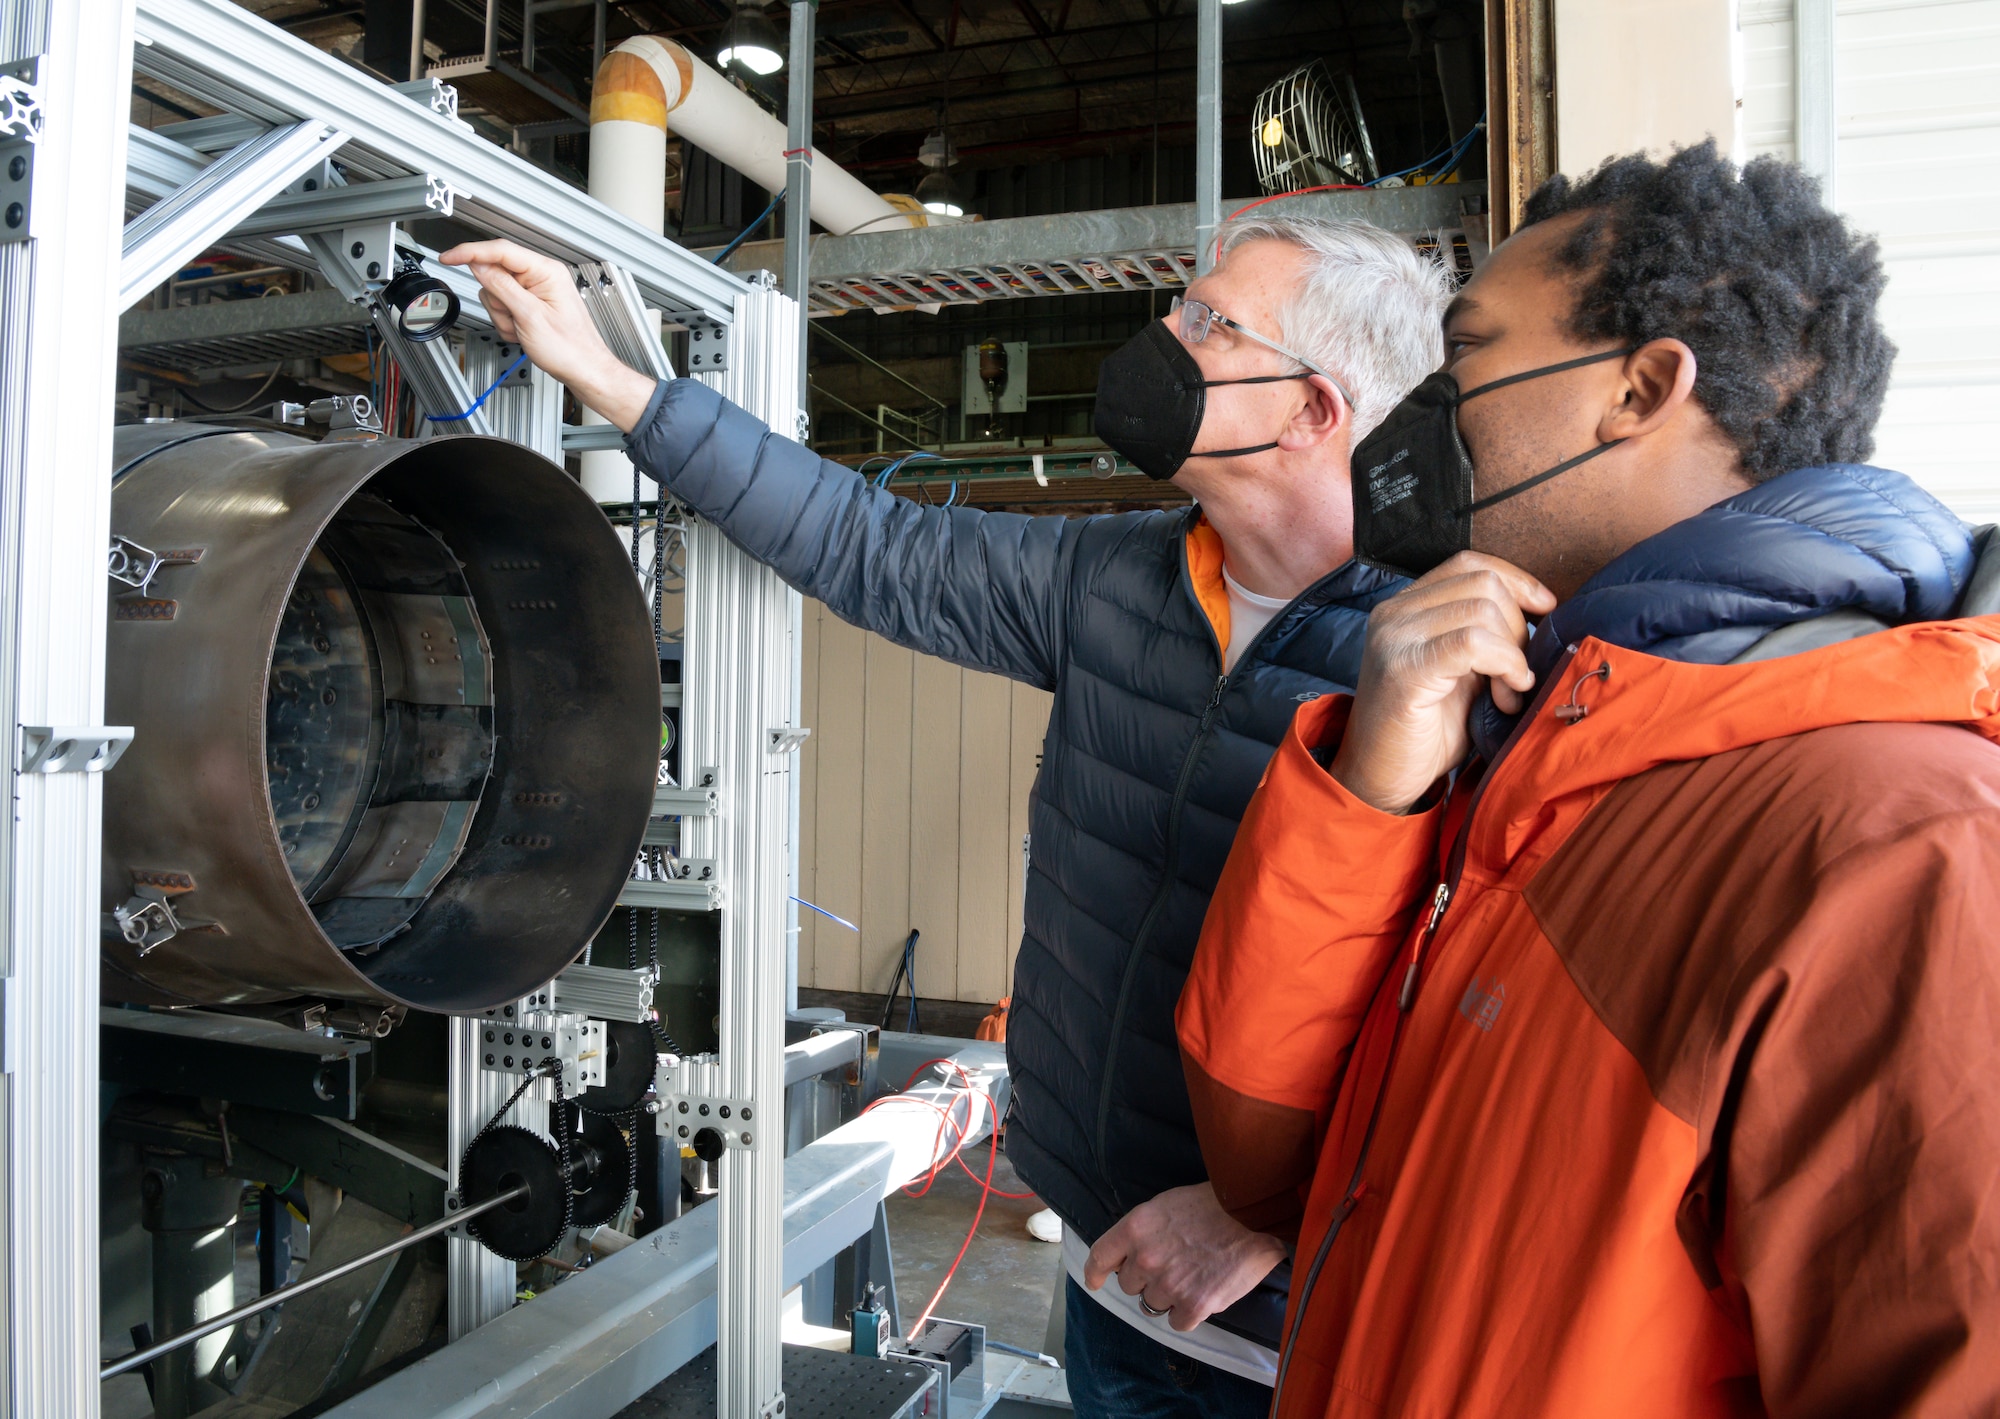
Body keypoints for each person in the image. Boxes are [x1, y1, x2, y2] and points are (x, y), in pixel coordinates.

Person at [442, 217, 1452, 1415]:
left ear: (1312, 410)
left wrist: (1269, 1217)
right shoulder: (1122, 577)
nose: (1164, 339)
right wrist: (613, 382)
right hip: (1105, 1263)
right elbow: (871, 544)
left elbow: (1477, 1028)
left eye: (1208, 323)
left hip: (1305, 1337)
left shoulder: (1438, 659)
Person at [1178, 141, 2000, 1417]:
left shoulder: (1906, 839)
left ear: (1639, 389)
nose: (1429, 405)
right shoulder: (1546, 743)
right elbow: (1271, 1164)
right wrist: (1369, 796)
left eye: (1468, 354)